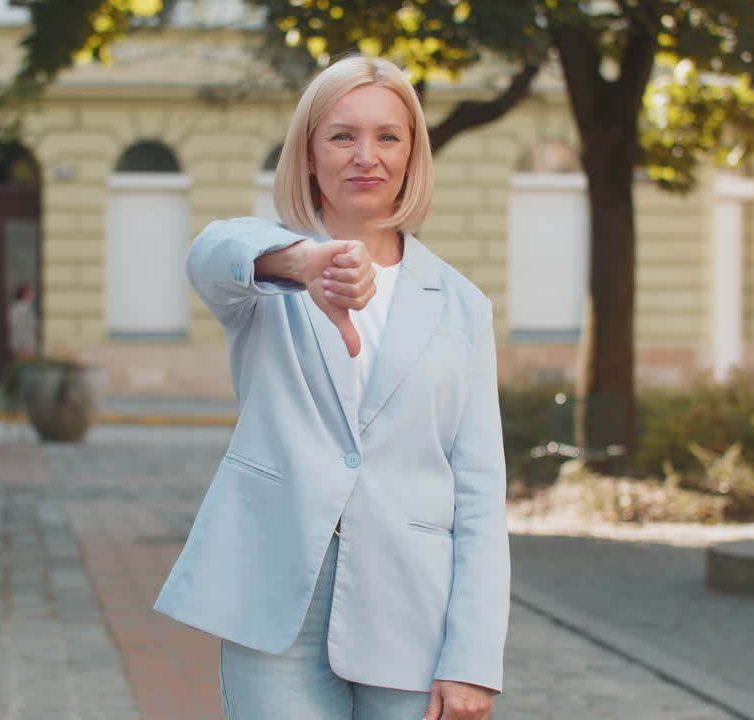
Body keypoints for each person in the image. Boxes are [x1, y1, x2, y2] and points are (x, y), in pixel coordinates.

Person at [154, 55, 509, 720]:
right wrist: (300, 262)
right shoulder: (266, 275)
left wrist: (473, 658)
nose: (365, 156)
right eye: (342, 136)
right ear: (309, 153)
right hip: (275, 601)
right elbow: (207, 253)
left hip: (413, 607)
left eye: (388, 136)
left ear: (412, 154)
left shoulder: (462, 306)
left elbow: (481, 491)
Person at [7, 283, 38, 360]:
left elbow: (13, 325)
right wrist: (27, 345)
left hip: (16, 342)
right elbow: (27, 327)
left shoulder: (13, 307)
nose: (33, 295)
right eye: (30, 293)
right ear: (25, 294)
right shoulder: (26, 308)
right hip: (25, 344)